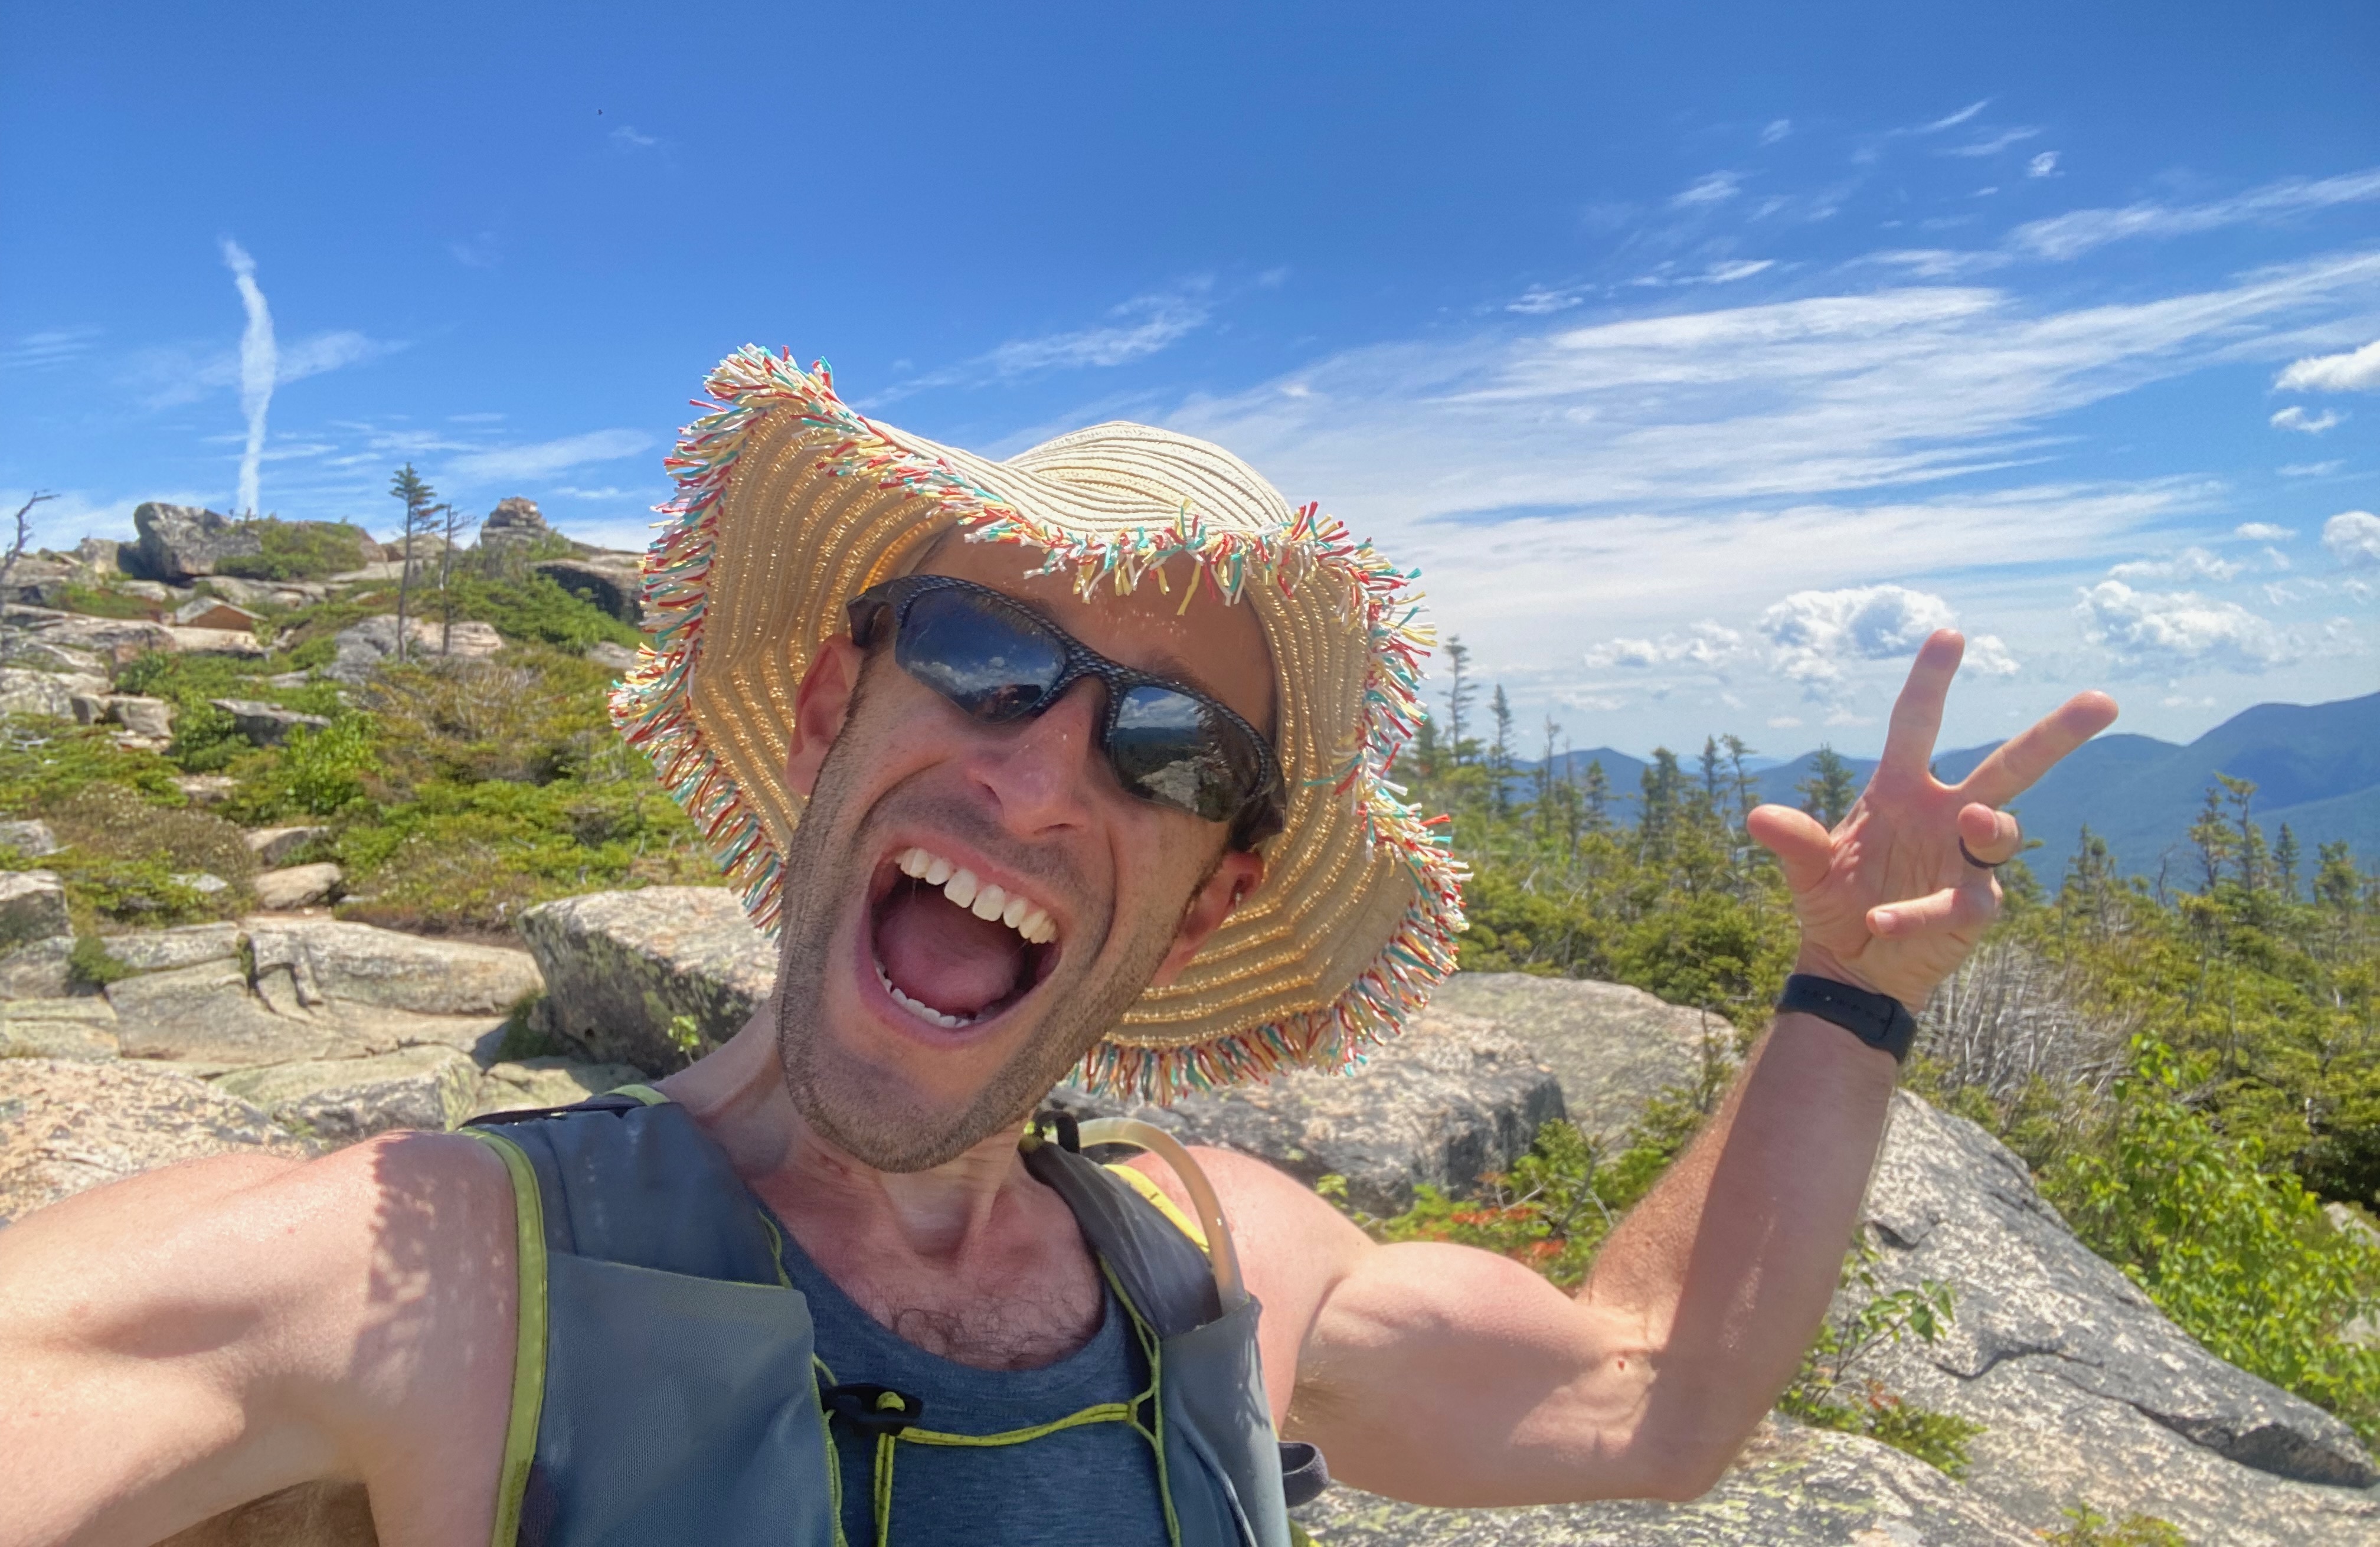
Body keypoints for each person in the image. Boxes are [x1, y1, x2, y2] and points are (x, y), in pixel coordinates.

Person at [0, 350, 2117, 1547]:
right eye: (984, 652)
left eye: (1171, 748)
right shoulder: (423, 1273)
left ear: (1214, 893)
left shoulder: (1234, 1271)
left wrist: (1856, 992)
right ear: (829, 708)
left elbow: (1653, 1402)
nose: (1036, 778)